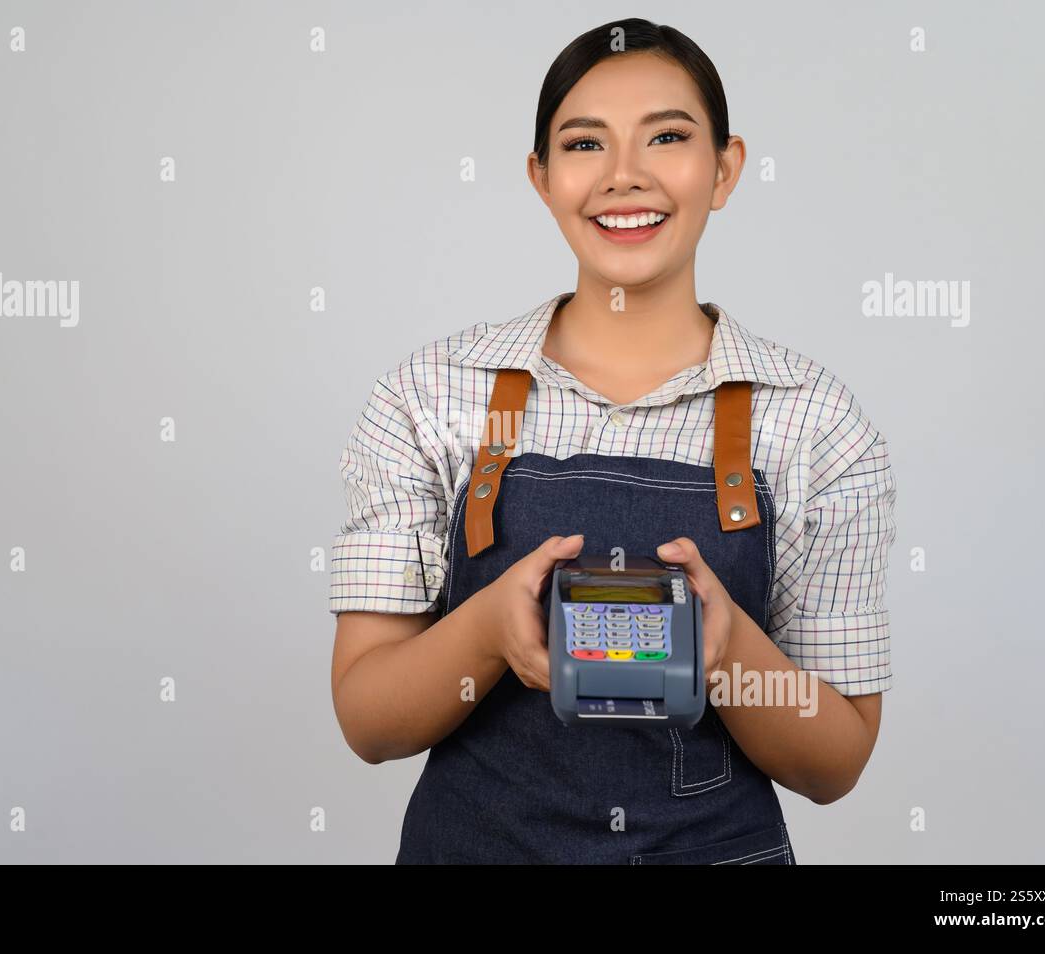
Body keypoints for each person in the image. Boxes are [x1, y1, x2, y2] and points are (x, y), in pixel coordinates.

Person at [328, 17, 897, 864]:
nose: (624, 177)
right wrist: (487, 632)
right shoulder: (428, 395)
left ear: (726, 168)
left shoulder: (818, 421)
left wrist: (728, 653)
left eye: (667, 136)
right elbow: (368, 721)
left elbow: (837, 762)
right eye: (585, 144)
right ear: (543, 177)